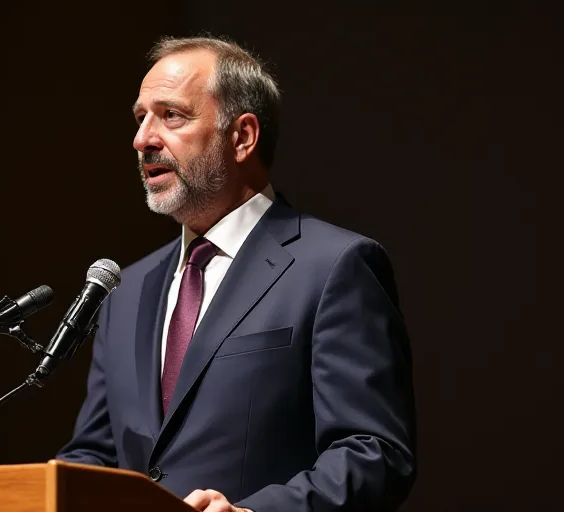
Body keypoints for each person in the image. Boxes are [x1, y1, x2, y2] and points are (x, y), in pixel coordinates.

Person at [56, 35, 417, 512]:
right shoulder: (126, 290)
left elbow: (375, 453)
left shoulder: (334, 266)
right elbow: (96, 456)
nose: (143, 138)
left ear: (242, 136)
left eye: (171, 115)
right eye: (140, 117)